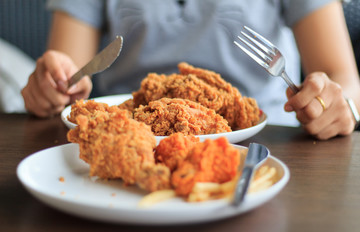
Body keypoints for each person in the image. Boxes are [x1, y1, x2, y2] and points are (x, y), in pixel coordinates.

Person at [21, 0, 360, 140]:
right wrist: (53, 85)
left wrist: (340, 105)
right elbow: (68, 72)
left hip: (264, 143)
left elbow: (341, 76)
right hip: (127, 130)